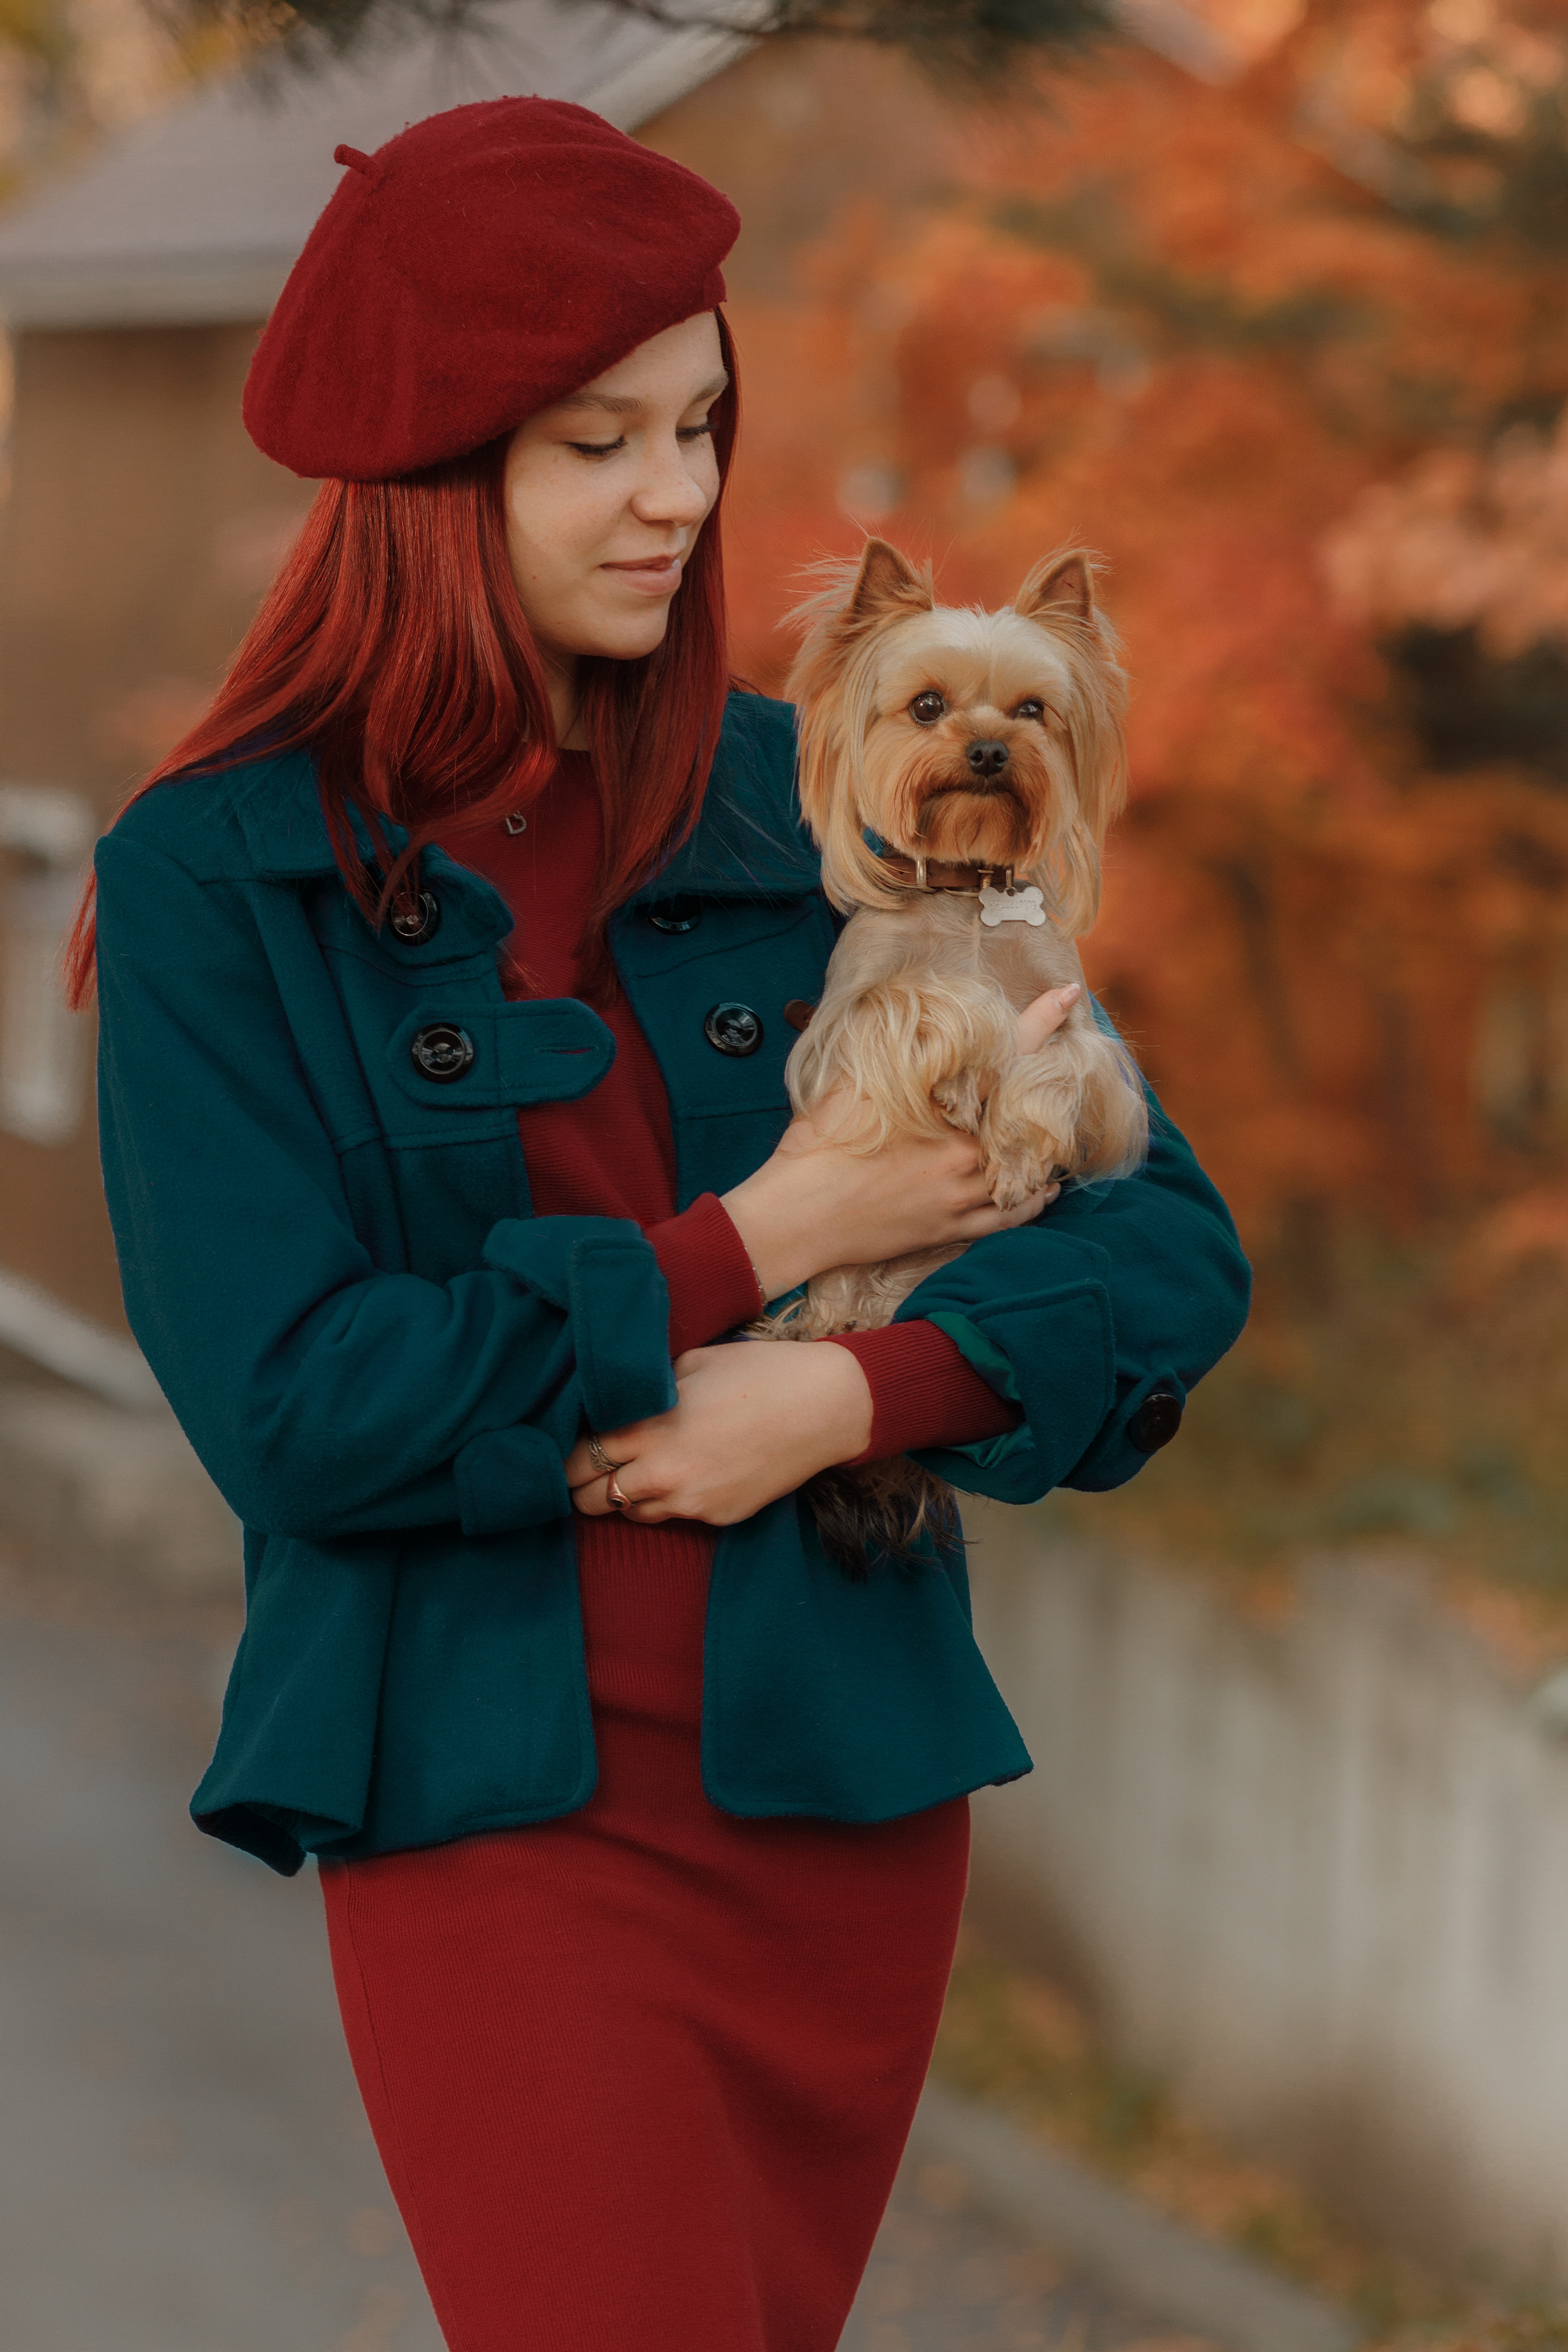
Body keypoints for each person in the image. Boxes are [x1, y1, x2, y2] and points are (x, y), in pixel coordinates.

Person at [69, 97, 1251, 2352]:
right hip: (491, 1798)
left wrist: (840, 1395)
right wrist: (763, 1233)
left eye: (702, 425)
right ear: (433, 469)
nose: (681, 496)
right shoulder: (218, 880)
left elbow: (1168, 1245)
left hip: (840, 1788)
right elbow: (299, 1410)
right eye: (597, 441)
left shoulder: (828, 791)